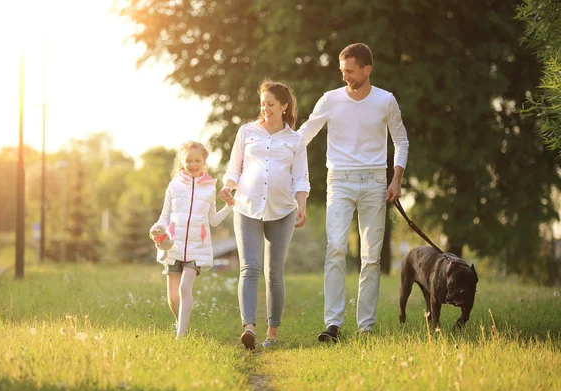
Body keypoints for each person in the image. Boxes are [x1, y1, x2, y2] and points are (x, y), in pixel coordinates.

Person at [297, 43, 410, 341]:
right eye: (342, 70)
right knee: (335, 247)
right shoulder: (330, 100)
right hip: (340, 180)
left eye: (350, 70)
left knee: (371, 257)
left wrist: (396, 180)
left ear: (367, 69)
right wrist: (273, 152)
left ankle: (366, 327)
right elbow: (305, 134)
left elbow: (401, 141)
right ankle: (332, 324)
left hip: (375, 182)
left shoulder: (386, 101)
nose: (345, 76)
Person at [219, 80, 310, 349]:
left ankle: (272, 333)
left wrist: (301, 205)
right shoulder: (247, 132)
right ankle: (248, 327)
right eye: (262, 104)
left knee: (274, 274)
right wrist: (227, 187)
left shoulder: (295, 140)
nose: (265, 109)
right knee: (249, 268)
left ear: (284, 106)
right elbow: (234, 169)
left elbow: (301, 179)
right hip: (247, 207)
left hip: (282, 212)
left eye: (271, 104)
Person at [150, 141, 234, 339]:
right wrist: (157, 228)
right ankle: (179, 323)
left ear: (204, 162)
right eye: (189, 160)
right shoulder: (174, 186)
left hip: (197, 247)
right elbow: (164, 216)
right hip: (174, 245)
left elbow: (213, 220)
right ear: (182, 161)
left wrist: (229, 206)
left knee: (184, 287)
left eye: (197, 160)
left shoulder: (209, 188)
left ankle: (181, 335)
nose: (193, 164)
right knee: (172, 298)